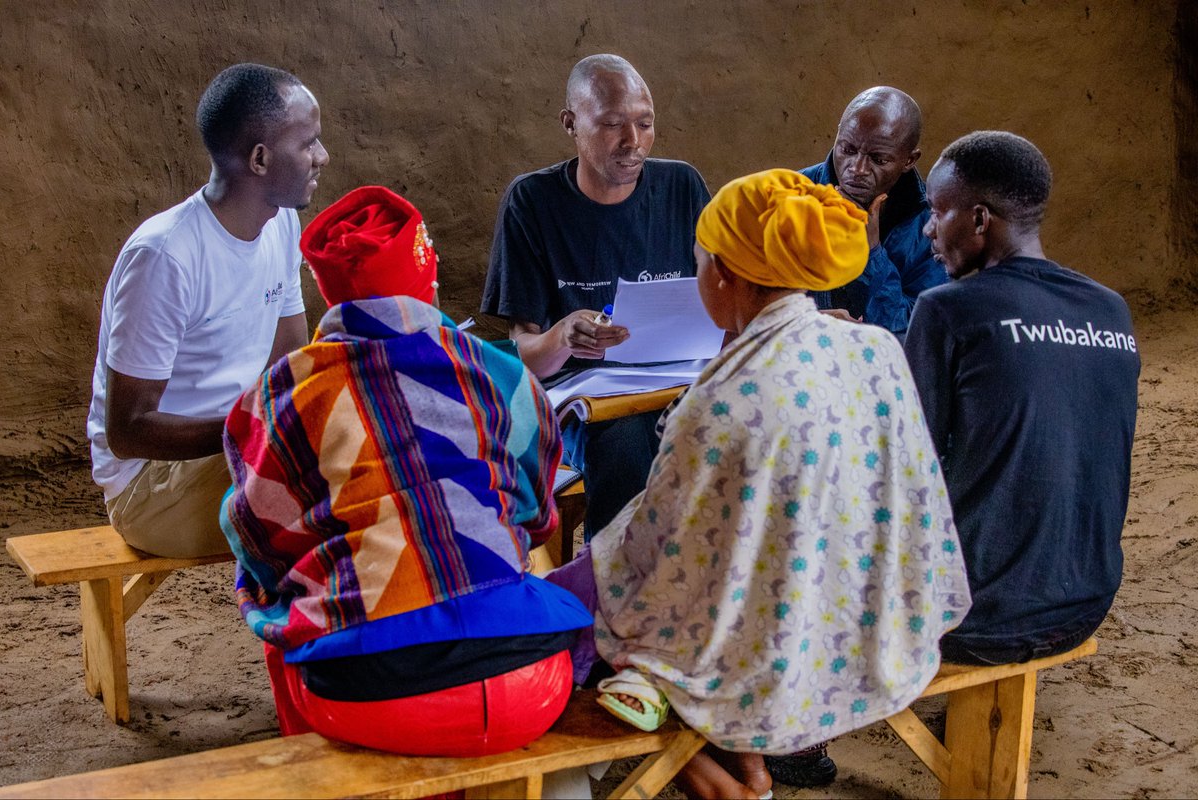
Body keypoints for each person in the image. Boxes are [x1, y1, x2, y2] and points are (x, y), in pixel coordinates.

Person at [548, 170, 971, 799]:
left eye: (699, 263)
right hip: (864, 611)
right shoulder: (876, 349)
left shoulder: (723, 399)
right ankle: (746, 774)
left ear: (723, 275)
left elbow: (656, 558)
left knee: (557, 620)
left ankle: (712, 779)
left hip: (763, 645)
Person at [220, 186, 592, 756]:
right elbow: (537, 518)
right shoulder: (500, 373)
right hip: (529, 687)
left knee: (267, 592)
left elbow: (257, 541)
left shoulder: (278, 397)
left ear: (326, 293)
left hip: (366, 700)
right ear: (429, 280)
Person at [904, 131, 1139, 665]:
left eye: (937, 212)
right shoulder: (1110, 309)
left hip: (973, 620)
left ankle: (809, 727)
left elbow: (908, 468)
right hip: (1085, 604)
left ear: (979, 220)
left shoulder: (946, 309)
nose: (928, 229)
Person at [85, 63, 329, 558]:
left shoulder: (281, 224)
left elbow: (287, 362)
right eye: (308, 143)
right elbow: (128, 431)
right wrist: (257, 428)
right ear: (259, 159)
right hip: (149, 490)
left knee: (364, 445)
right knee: (339, 487)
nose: (322, 156)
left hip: (236, 453)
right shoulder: (165, 256)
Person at [480, 53, 711, 539]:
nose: (633, 142)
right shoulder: (532, 203)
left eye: (644, 124)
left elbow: (722, 303)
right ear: (570, 123)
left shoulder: (682, 187)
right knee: (625, 445)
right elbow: (524, 356)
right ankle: (615, 575)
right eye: (611, 124)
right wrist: (563, 337)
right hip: (588, 405)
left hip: (678, 387)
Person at [800, 86, 946, 337]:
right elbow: (748, 309)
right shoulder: (792, 195)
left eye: (878, 160)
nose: (857, 169)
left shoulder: (931, 224)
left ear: (909, 160)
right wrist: (810, 323)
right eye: (847, 150)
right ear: (838, 135)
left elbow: (921, 330)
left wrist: (872, 252)